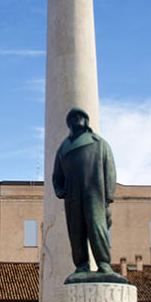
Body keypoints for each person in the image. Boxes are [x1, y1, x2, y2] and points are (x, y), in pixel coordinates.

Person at [51, 106, 125, 282]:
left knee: (97, 227)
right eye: (73, 118)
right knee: (76, 231)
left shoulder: (99, 143)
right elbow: (57, 175)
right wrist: (59, 190)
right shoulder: (64, 147)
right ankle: (81, 265)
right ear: (69, 123)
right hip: (73, 195)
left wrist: (108, 196)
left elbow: (110, 170)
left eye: (80, 117)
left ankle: (104, 264)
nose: (76, 120)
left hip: (94, 193)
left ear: (86, 121)